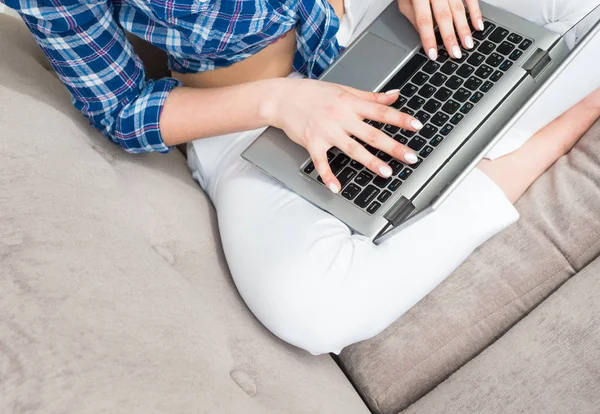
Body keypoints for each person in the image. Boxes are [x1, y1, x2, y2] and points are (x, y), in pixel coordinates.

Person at [6, 0, 599, 354]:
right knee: (309, 310)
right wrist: (277, 105)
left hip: (369, 20)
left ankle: (472, 132)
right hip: (244, 114)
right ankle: (545, 134)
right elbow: (121, 108)